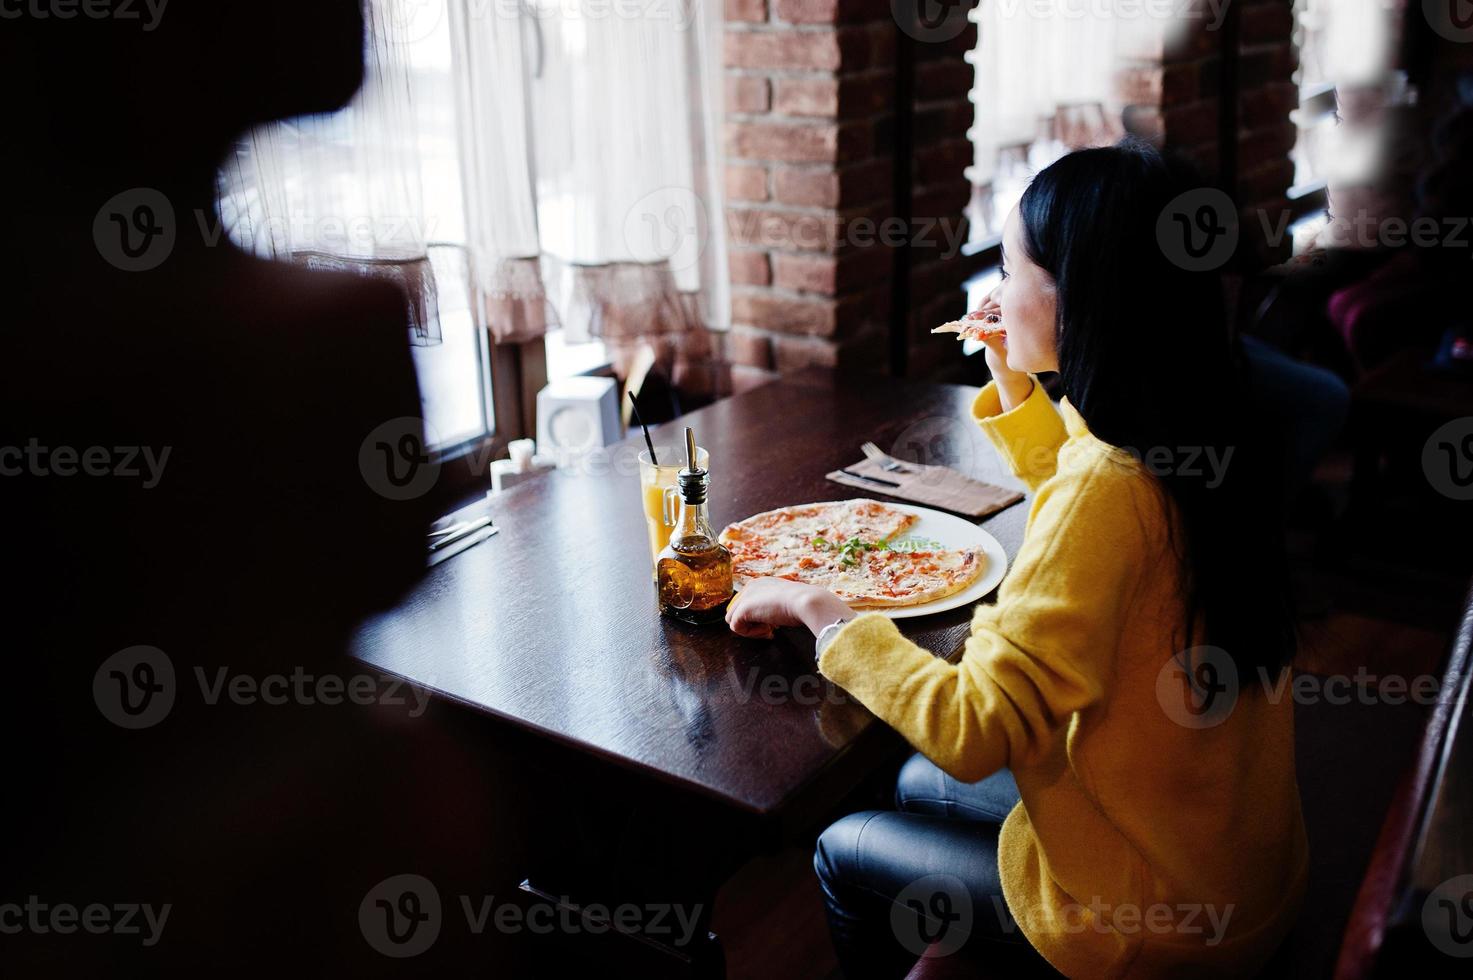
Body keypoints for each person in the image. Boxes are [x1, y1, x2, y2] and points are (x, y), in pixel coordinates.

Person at [727, 141, 1309, 978]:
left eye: (1009, 268)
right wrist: (1015, 385)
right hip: (1231, 862)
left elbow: (973, 729)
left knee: (842, 844)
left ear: (1079, 298)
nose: (993, 295)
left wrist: (825, 612)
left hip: (1152, 925)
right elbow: (1094, 516)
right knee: (909, 782)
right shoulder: (1204, 423)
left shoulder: (1111, 487)